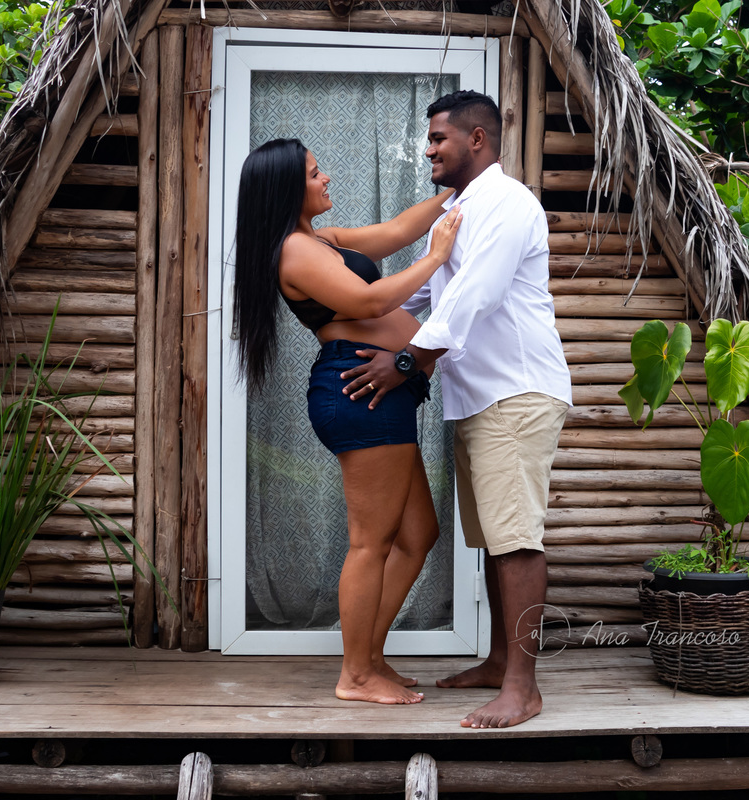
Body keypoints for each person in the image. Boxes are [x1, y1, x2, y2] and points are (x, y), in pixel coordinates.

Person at [339, 91, 572, 728]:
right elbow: (428, 299)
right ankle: (500, 662)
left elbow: (475, 295)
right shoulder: (458, 210)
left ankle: (522, 688)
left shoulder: (508, 203)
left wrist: (406, 361)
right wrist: (349, 312)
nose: (428, 150)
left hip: (515, 392)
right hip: (478, 397)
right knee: (496, 538)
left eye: (438, 138)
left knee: (516, 540)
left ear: (477, 139)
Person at [232, 138, 463, 705]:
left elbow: (397, 230)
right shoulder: (294, 251)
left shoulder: (320, 240)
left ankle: (370, 658)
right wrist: (435, 259)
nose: (326, 177)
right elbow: (368, 303)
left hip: (383, 391)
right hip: (359, 390)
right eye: (315, 173)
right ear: (288, 187)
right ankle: (355, 675)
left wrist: (464, 188)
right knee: (370, 543)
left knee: (417, 535)